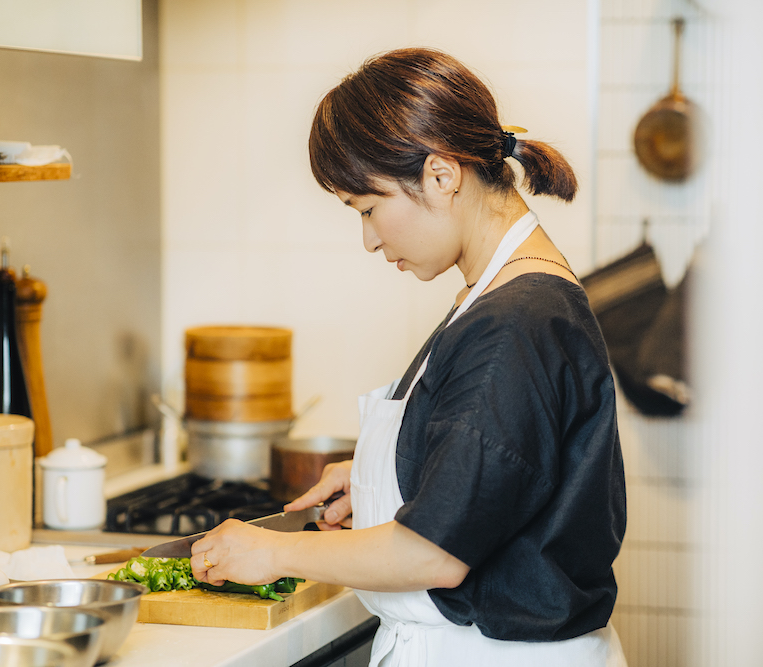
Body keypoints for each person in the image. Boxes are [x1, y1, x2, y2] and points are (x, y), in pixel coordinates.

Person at [191, 47, 628, 667]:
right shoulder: (507, 296)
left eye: (368, 209)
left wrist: (271, 552)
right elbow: (508, 467)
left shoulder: (515, 321)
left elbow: (435, 555)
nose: (369, 239)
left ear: (442, 174)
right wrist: (390, 473)